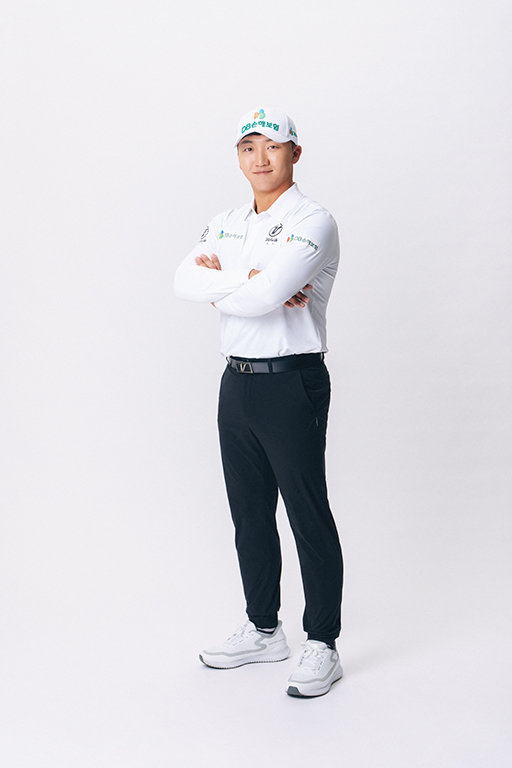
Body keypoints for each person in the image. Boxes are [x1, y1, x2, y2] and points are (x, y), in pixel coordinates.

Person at [174, 107, 344, 698]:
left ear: (295, 152)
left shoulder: (313, 221)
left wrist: (237, 285)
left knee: (306, 510)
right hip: (237, 380)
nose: (260, 158)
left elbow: (264, 297)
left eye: (273, 146)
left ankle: (322, 642)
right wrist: (254, 281)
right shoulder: (225, 222)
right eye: (249, 147)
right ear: (239, 157)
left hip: (292, 380)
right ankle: (263, 629)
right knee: (248, 511)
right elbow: (184, 282)